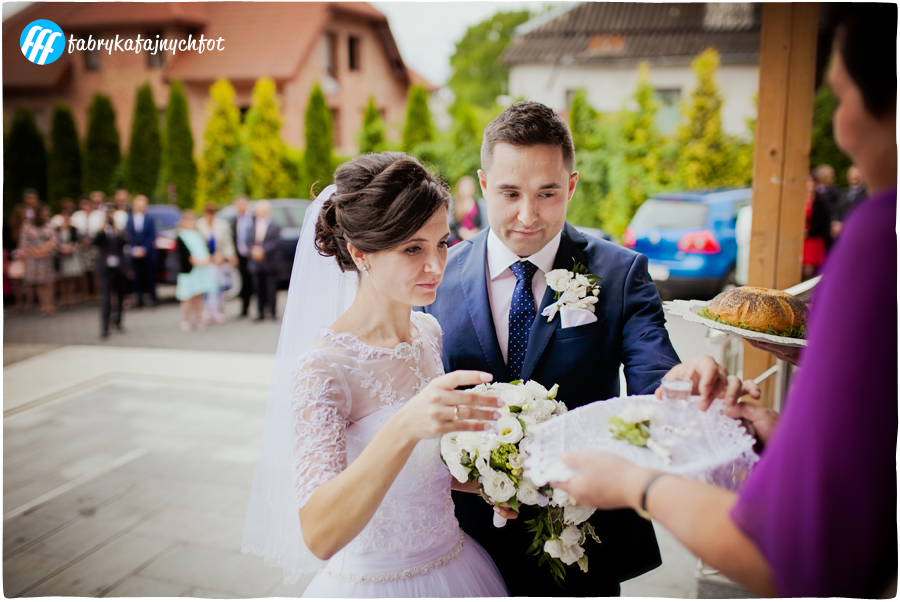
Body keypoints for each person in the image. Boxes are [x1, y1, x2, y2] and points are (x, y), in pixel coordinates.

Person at [552, 4, 897, 597]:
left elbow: (792, 553)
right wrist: (777, 427)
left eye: (840, 98)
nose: (838, 127)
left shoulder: (879, 237)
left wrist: (637, 485)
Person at [422, 100, 683, 596]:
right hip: (461, 544)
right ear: (482, 185)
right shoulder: (438, 276)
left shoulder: (620, 273)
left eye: (547, 193)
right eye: (510, 193)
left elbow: (657, 379)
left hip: (581, 545)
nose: (527, 215)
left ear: (572, 186)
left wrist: (686, 388)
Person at [242, 152, 511, 597]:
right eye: (412, 248)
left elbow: (423, 471)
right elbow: (319, 534)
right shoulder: (323, 369)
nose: (435, 265)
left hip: (457, 566)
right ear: (359, 253)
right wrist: (404, 424)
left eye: (441, 243)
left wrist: (488, 480)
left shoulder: (428, 332)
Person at [175, 210, 217, 332]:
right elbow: (184, 256)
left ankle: (198, 318)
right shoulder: (180, 237)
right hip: (189, 271)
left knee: (199, 295)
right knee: (187, 297)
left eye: (192, 220)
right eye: (187, 220)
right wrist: (200, 261)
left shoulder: (199, 235)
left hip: (201, 270)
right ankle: (185, 320)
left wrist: (208, 259)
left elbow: (208, 249)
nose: (190, 223)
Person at [197, 202, 236, 324]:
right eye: (208, 213)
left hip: (219, 260)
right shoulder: (199, 225)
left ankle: (218, 310)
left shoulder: (222, 225)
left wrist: (228, 256)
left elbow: (227, 242)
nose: (210, 216)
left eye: (212, 213)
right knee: (206, 287)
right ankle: (206, 311)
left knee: (219, 286)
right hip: (205, 260)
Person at [93, 206, 129, 338]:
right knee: (106, 298)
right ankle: (104, 326)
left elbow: (126, 241)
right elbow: (95, 242)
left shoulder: (119, 230)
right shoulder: (102, 231)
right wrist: (102, 227)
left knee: (120, 296)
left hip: (119, 268)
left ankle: (118, 321)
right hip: (106, 269)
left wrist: (117, 229)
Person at [19, 204, 57, 316]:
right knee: (39, 282)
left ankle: (50, 304)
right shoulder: (27, 225)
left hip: (47, 256)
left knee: (49, 282)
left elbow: (54, 239)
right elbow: (24, 242)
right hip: (33, 258)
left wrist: (45, 249)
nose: (46, 214)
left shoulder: (49, 223)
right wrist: (35, 252)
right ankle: (43, 305)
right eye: (44, 212)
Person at [247, 200, 280, 321]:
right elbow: (248, 241)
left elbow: (275, 242)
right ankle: (260, 312)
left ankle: (272, 311)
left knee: (271, 288)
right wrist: (254, 251)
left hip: (269, 261)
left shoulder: (274, 225)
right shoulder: (252, 226)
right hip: (256, 262)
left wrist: (262, 251)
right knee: (258, 288)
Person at [126, 195, 157, 308]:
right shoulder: (129, 218)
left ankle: (152, 298)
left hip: (147, 253)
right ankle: (139, 299)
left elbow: (152, 236)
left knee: (149, 276)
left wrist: (144, 248)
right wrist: (134, 249)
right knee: (136, 277)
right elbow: (128, 235)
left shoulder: (150, 219)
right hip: (134, 253)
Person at [72, 194, 105, 301]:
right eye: (83, 203)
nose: (85, 206)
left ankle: (97, 292)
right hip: (82, 246)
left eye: (87, 203)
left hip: (95, 245)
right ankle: (86, 293)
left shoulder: (99, 215)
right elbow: (74, 230)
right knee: (84, 271)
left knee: (96, 270)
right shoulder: (76, 215)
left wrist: (92, 240)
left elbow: (101, 229)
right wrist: (82, 241)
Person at [55, 200, 84, 309]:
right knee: (62, 278)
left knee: (71, 277)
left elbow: (76, 240)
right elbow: (55, 240)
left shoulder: (73, 229)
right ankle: (63, 297)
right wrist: (61, 249)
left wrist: (69, 249)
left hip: (71, 254)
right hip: (61, 256)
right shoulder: (57, 229)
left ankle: (71, 297)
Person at [230, 195, 255, 318]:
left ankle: (262, 308)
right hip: (241, 255)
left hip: (253, 254)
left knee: (255, 281)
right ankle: (245, 309)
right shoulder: (235, 220)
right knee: (244, 282)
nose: (238, 207)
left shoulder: (254, 217)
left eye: (240, 204)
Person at [802, 173, 830, 280]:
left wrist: (808, 233)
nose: (809, 184)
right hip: (801, 240)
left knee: (810, 270)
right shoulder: (797, 201)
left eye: (811, 181)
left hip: (813, 239)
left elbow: (822, 222)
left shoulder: (820, 202)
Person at [831, 164, 868, 239]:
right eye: (851, 174)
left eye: (857, 173)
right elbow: (836, 210)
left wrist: (846, 225)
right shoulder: (842, 192)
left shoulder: (867, 194)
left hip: (857, 233)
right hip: (840, 235)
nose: (854, 176)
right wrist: (835, 222)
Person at [4, 204, 29, 314]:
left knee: (28, 283)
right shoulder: (10, 227)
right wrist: (13, 253)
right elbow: (5, 243)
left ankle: (28, 304)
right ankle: (19, 304)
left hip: (28, 257)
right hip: (15, 259)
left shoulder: (29, 226)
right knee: (16, 283)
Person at [448, 175, 483, 246]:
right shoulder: (455, 204)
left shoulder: (478, 204)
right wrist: (462, 232)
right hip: (458, 241)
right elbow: (452, 224)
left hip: (474, 239)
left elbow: (480, 223)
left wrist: (475, 231)